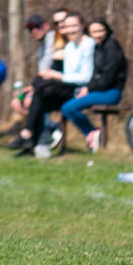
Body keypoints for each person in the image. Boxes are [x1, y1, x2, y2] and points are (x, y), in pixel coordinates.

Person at [14, 12, 96, 157]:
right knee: (39, 91)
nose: (69, 30)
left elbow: (84, 77)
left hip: (80, 88)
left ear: (82, 25)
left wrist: (57, 75)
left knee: (40, 91)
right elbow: (65, 75)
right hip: (65, 85)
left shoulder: (88, 44)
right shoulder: (70, 46)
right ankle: (35, 143)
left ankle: (30, 135)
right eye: (67, 26)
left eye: (73, 26)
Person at [61, 19, 128, 152]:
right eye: (94, 32)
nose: (97, 35)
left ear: (107, 30)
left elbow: (108, 78)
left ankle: (91, 132)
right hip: (99, 90)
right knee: (66, 105)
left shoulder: (112, 47)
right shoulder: (98, 47)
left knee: (68, 107)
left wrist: (88, 88)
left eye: (100, 31)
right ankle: (91, 134)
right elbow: (95, 74)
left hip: (111, 92)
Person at [11, 10, 69, 149]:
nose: (34, 31)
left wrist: (35, 87)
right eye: (31, 29)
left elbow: (51, 70)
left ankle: (35, 133)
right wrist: (30, 87)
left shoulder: (54, 38)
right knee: (16, 102)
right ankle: (48, 127)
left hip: (60, 84)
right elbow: (42, 73)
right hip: (46, 83)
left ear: (46, 25)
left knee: (30, 100)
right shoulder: (41, 48)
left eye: (37, 26)